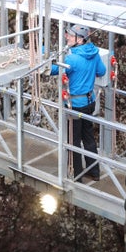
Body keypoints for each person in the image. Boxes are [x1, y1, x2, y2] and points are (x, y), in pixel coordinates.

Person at [51, 24, 106, 183]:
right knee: (88, 136)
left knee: (73, 140)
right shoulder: (94, 54)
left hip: (75, 105)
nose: (66, 37)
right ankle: (94, 172)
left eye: (70, 35)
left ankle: (77, 176)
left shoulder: (72, 59)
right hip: (90, 102)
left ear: (80, 39)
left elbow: (53, 70)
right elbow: (101, 72)